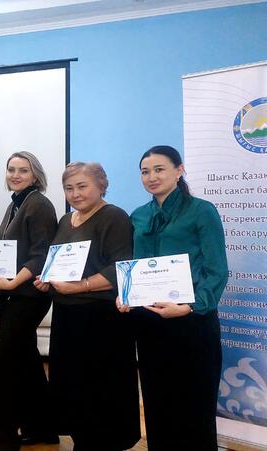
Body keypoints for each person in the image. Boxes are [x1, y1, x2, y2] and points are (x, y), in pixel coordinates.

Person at [118, 145, 227, 450]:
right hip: (150, 321)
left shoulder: (202, 210)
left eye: (159, 169)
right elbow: (133, 265)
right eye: (145, 172)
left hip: (192, 320)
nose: (151, 177)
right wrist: (125, 294)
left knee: (194, 404)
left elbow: (216, 269)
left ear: (179, 170)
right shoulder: (138, 215)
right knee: (158, 402)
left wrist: (191, 307)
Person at [33, 162, 140, 451]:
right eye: (69, 188)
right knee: (72, 385)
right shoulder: (65, 220)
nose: (75, 194)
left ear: (101, 185)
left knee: (101, 388)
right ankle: (83, 440)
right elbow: (58, 263)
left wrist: (80, 286)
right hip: (68, 316)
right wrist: (48, 279)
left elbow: (121, 267)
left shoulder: (115, 217)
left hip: (101, 320)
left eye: (82, 186)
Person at [0, 152, 58, 450]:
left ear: (35, 175)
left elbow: (41, 254)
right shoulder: (16, 202)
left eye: (23, 170)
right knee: (27, 361)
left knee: (0, 366)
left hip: (28, 296)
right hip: (10, 293)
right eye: (11, 169)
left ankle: (2, 442)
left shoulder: (39, 204)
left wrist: (13, 281)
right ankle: (43, 428)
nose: (15, 175)